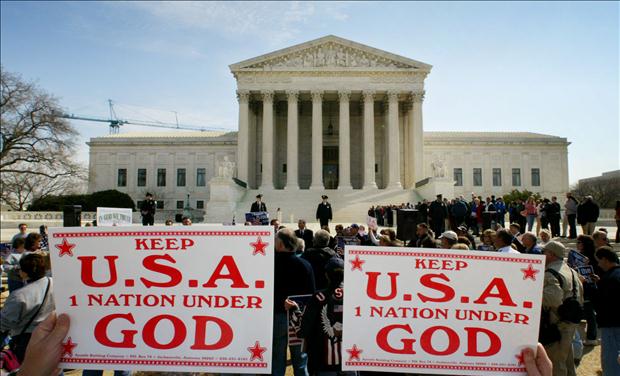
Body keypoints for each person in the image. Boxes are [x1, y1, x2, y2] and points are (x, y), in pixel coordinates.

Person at [298, 257, 352, 376]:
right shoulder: (355, 296)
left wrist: (294, 310)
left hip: (320, 359)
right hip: (350, 358)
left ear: (326, 275)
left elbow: (305, 326)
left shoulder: (318, 297)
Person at [273, 228, 315, 376]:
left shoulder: (270, 265)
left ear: (280, 244)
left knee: (277, 360)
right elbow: (311, 295)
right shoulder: (305, 265)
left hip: (277, 316)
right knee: (300, 362)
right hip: (299, 318)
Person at [0, 253, 54, 362]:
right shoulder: (55, 284)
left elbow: (5, 323)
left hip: (27, 341)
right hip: (52, 335)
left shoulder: (19, 295)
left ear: (24, 273)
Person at [541, 241, 584, 376]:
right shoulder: (571, 270)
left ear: (552, 254)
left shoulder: (551, 273)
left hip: (557, 323)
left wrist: (532, 294)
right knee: (567, 361)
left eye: (544, 252)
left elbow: (553, 298)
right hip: (570, 321)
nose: (542, 255)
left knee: (556, 364)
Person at [593, 246, 620, 376]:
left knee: (611, 362)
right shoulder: (613, 276)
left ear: (605, 259)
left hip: (611, 325)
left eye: (599, 261)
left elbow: (600, 303)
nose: (598, 264)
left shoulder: (609, 279)